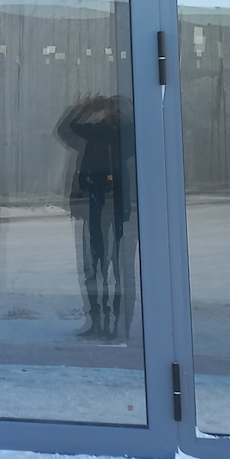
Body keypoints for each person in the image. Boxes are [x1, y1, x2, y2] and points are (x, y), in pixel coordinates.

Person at [55, 94, 134, 341]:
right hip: (93, 205)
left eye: (117, 110)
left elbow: (135, 138)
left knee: (119, 267)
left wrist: (124, 117)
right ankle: (97, 321)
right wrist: (84, 110)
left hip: (118, 206)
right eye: (109, 109)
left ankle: (118, 324)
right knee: (94, 265)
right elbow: (65, 130)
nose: (112, 114)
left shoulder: (128, 135)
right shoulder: (94, 132)